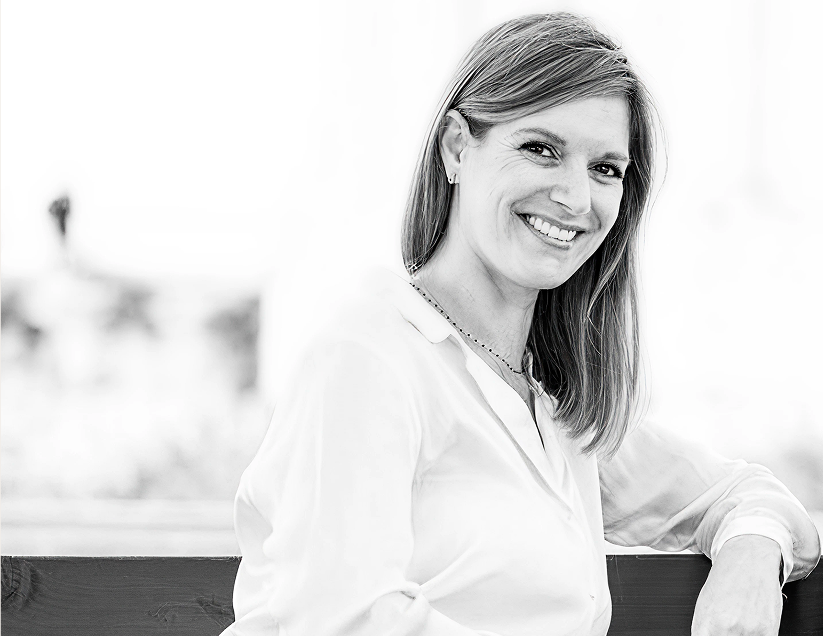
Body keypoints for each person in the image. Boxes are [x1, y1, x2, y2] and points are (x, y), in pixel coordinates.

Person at [223, 13, 820, 636]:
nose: (576, 198)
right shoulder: (371, 359)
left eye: (606, 169)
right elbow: (340, 621)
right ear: (457, 146)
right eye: (541, 149)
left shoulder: (552, 409)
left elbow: (747, 495)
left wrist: (749, 560)